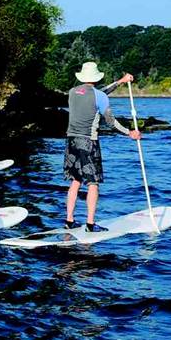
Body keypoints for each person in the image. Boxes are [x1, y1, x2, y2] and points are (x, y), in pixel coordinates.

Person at [64, 62, 139, 232]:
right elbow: (111, 122)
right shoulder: (100, 97)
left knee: (75, 181)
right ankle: (90, 224)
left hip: (71, 141)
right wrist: (130, 132)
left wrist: (120, 81)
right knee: (93, 183)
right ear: (97, 77)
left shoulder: (72, 92)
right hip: (88, 142)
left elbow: (98, 93)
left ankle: (69, 220)